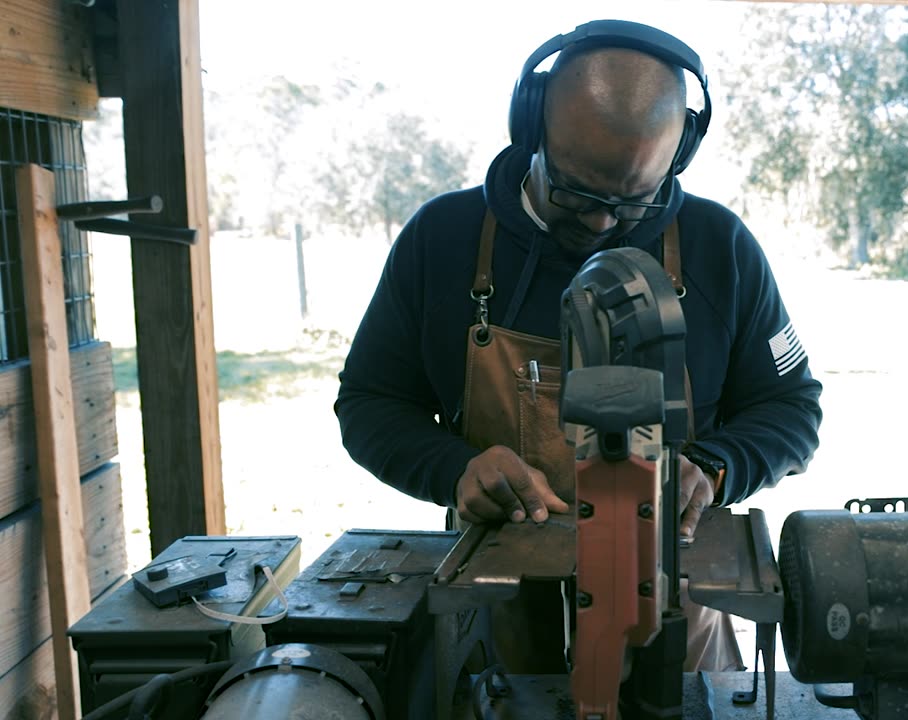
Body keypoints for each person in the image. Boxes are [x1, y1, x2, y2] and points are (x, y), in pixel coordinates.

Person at [334, 19, 822, 675]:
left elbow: (791, 409)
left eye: (633, 202)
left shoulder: (719, 248)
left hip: (675, 616)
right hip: (494, 607)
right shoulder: (442, 240)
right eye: (577, 191)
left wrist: (712, 465)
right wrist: (453, 468)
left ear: (677, 157)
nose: (598, 223)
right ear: (531, 126)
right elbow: (370, 402)